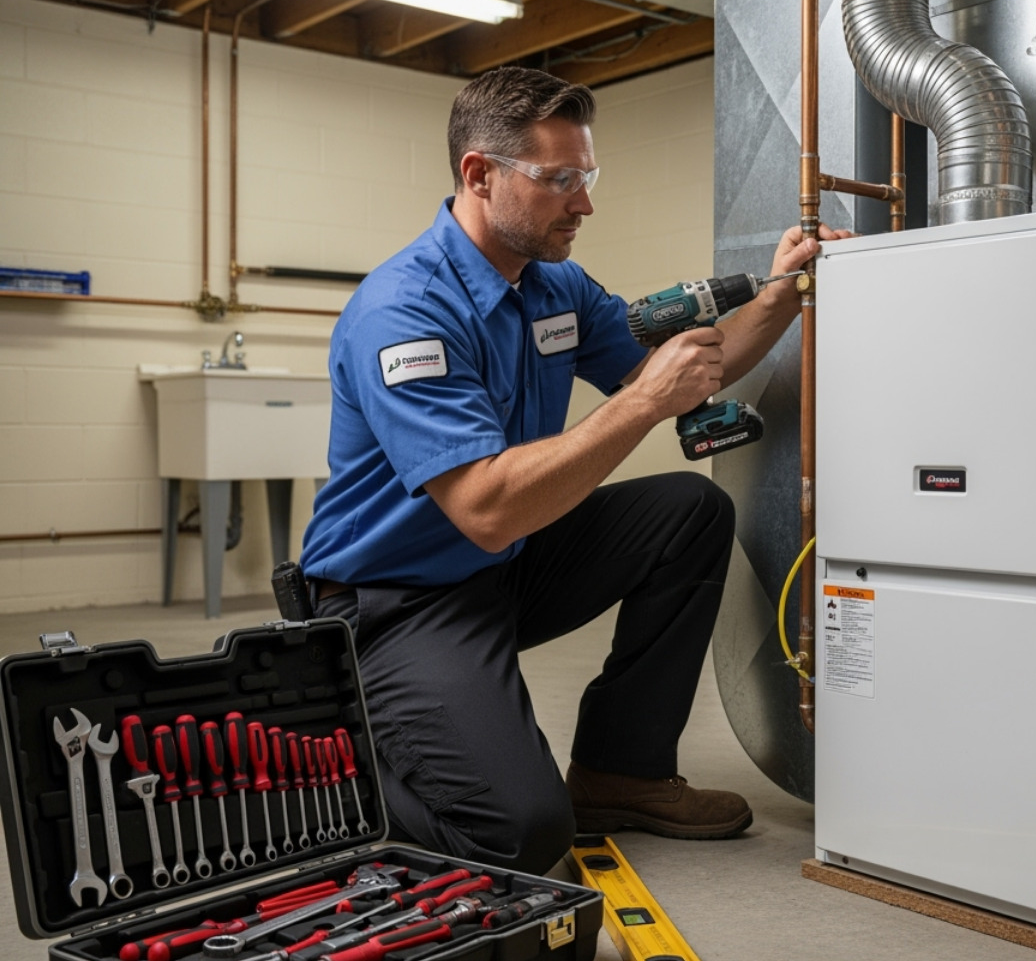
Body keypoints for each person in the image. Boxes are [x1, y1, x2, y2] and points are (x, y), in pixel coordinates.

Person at [298, 65, 847, 875]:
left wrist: (784, 293)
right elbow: (485, 507)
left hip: (506, 566)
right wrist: (641, 406)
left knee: (686, 511)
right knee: (519, 833)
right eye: (559, 180)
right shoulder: (404, 311)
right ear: (479, 175)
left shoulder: (555, 287)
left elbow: (691, 369)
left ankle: (620, 771)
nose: (584, 203)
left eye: (586, 176)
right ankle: (336, 762)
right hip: (399, 599)